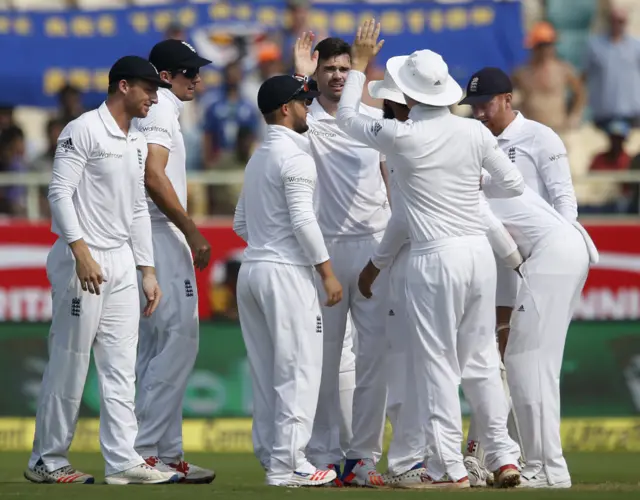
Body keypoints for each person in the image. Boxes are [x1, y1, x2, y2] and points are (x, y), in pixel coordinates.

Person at [335, 19, 525, 489]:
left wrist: (358, 66)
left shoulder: (402, 136)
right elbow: (513, 183)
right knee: (480, 360)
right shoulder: (475, 134)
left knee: (438, 362)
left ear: (409, 94)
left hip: (434, 256)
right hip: (477, 254)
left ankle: (451, 469)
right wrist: (465, 183)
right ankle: (503, 456)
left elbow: (344, 117)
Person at [25, 56, 178, 485]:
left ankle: (122, 460)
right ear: (123, 86)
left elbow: (136, 210)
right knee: (70, 361)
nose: (153, 97)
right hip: (82, 261)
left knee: (120, 365)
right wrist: (80, 251)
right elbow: (59, 193)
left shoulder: (137, 141)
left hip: (122, 262)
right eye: (148, 88)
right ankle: (47, 458)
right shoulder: (84, 129)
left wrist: (147, 270)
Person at [459, 66, 579, 483]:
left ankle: (538, 464)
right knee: (495, 359)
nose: (478, 113)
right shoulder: (472, 140)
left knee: (526, 361)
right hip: (501, 260)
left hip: (539, 258)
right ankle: (490, 454)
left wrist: (553, 260)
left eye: (485, 104)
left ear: (508, 99)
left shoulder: (540, 137)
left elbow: (564, 202)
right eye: (472, 106)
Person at [233, 74, 342, 487]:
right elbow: (302, 220)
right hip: (285, 274)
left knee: (267, 372)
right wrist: (326, 273)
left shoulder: (259, 157)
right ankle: (290, 462)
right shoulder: (295, 158)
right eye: (303, 101)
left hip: (254, 270)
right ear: (285, 109)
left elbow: (242, 223)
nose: (309, 107)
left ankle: (274, 455)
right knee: (299, 368)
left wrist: (267, 242)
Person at [293, 33, 390, 486]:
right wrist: (296, 76)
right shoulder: (304, 121)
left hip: (373, 250)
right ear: (316, 73)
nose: (337, 76)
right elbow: (277, 130)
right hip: (327, 254)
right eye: (328, 68)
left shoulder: (372, 121)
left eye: (344, 68)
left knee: (373, 357)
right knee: (324, 358)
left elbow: (392, 184)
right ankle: (322, 453)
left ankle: (363, 457)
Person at [132, 39, 215, 484]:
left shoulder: (159, 106)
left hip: (150, 234)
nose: (197, 78)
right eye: (188, 72)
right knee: (180, 341)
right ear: (165, 77)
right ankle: (147, 451)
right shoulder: (161, 107)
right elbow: (152, 175)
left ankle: (165, 452)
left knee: (154, 349)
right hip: (162, 234)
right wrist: (191, 229)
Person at [483, 186, 597, 488]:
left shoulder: (468, 185)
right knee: (531, 363)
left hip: (551, 257)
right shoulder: (485, 180)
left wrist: (524, 270)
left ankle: (546, 468)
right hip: (564, 250)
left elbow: (500, 239)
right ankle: (545, 466)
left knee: (526, 362)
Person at [356, 71, 428, 488]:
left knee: (406, 363)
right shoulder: (425, 138)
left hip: (409, 259)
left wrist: (375, 265)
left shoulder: (400, 143)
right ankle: (425, 456)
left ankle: (411, 458)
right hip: (424, 256)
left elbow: (398, 214)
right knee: (427, 362)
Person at [511, 21, 586, 133]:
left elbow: (580, 92)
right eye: (542, 45)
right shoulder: (522, 73)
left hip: (558, 129)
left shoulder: (563, 70)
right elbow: (505, 96)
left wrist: (574, 116)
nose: (546, 49)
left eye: (548, 44)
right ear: (534, 47)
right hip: (532, 132)